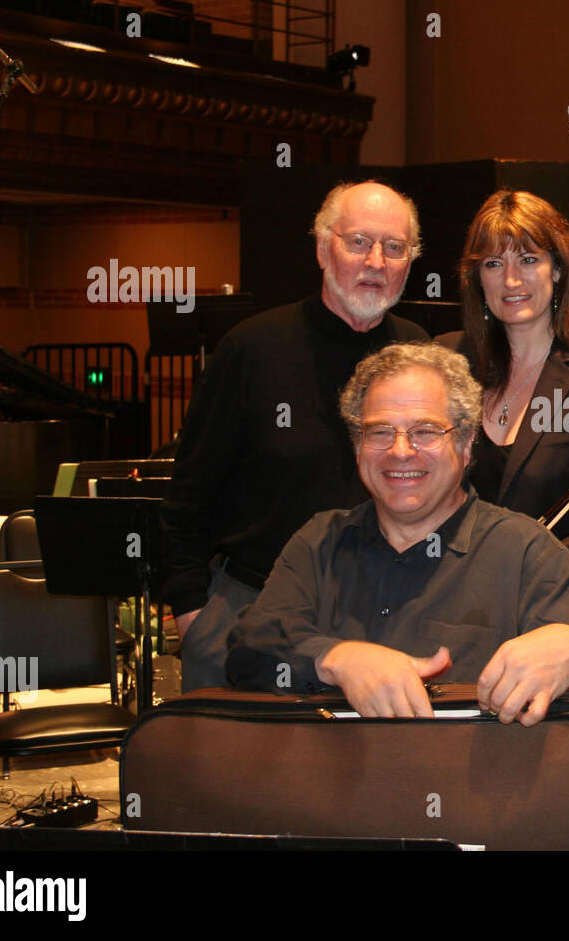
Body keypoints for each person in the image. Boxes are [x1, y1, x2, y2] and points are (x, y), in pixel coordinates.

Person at [225, 344, 569, 725]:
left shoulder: (525, 552)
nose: (400, 451)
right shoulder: (319, 541)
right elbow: (250, 650)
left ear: (466, 445)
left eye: (425, 431)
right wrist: (335, 659)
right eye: (379, 431)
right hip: (329, 788)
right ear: (356, 445)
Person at [162, 180, 430, 692]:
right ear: (322, 247)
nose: (376, 261)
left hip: (383, 622)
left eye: (394, 248)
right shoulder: (251, 349)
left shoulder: (419, 354)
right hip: (247, 616)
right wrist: (195, 614)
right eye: (359, 242)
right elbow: (188, 495)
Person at [437, 190, 569, 557]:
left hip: (544, 597)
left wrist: (546, 560)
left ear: (557, 269)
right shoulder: (445, 360)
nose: (511, 280)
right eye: (493, 263)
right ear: (477, 277)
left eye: (528, 260)